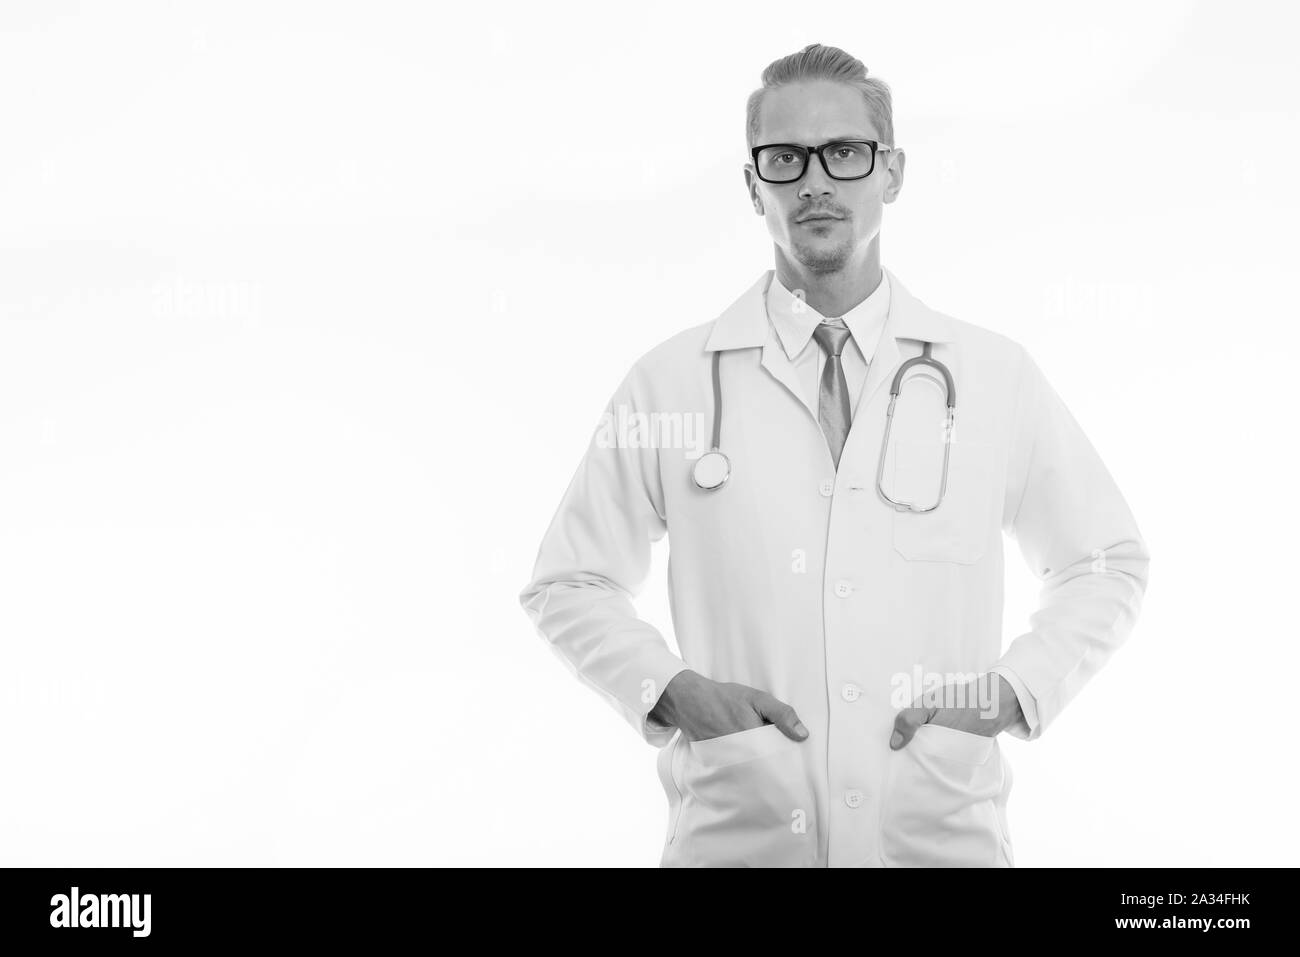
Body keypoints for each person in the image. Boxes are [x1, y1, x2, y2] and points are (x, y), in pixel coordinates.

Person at [519, 42, 1150, 867]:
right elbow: (570, 581)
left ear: (890, 173)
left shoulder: (994, 377)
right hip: (738, 837)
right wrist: (675, 692)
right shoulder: (670, 383)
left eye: (845, 153)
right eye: (784, 158)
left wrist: (1012, 691)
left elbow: (1106, 563)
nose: (815, 180)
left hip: (940, 835)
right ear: (754, 186)